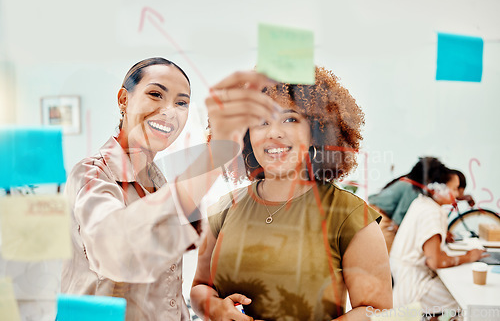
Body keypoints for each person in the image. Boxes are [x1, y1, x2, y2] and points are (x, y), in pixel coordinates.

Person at [61, 58, 278, 320]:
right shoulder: (90, 175)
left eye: (181, 102)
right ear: (123, 100)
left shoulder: (158, 181)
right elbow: (116, 253)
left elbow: (166, 291)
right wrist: (213, 155)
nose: (169, 111)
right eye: (155, 94)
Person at [190, 67, 393, 320]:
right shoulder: (224, 208)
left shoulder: (349, 215)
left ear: (316, 131)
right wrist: (216, 308)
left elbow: (377, 312)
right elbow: (200, 288)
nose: (274, 132)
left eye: (290, 119)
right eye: (261, 122)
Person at [390, 162, 487, 314]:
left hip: (404, 279)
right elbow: (435, 261)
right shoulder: (432, 212)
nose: (457, 195)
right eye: (454, 189)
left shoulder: (422, 203)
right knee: (466, 301)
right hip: (414, 287)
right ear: (438, 187)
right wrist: (469, 256)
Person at [369, 157, 445, 252]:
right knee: (388, 255)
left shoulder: (407, 181)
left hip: (373, 212)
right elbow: (397, 222)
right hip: (381, 218)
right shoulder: (412, 189)